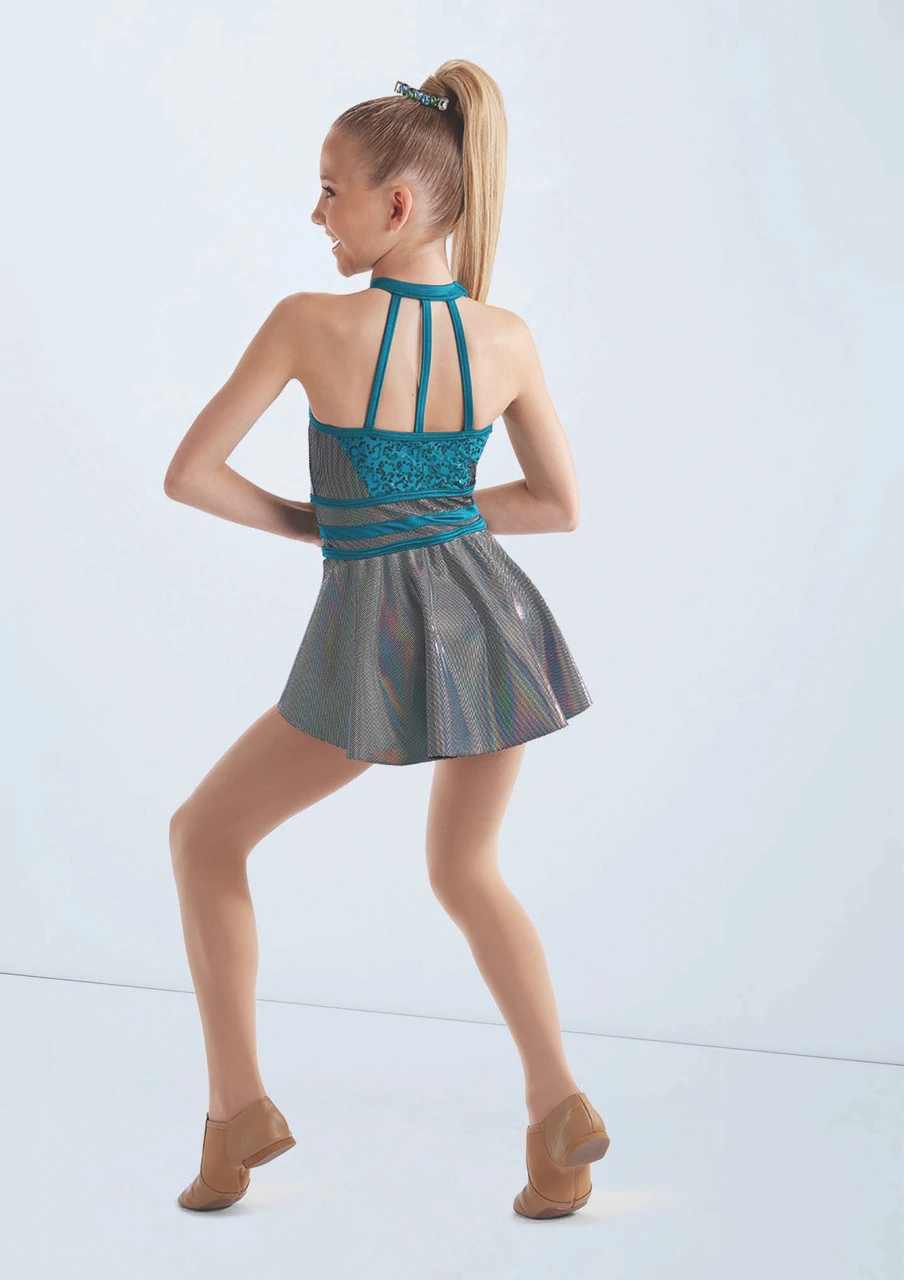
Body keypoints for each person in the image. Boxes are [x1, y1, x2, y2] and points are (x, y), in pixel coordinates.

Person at [164, 59, 610, 1220]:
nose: (317, 212)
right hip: (495, 622)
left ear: (398, 204)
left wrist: (323, 520)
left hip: (376, 630)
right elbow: (556, 504)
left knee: (205, 835)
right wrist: (430, 513)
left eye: (331, 190)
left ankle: (236, 1110)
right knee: (468, 870)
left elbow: (191, 473)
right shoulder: (505, 336)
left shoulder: (310, 324)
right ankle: (558, 1113)